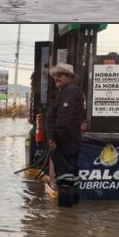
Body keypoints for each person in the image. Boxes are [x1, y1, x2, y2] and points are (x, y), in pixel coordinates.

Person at [45, 64, 85, 208]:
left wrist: (53, 138)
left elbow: (64, 119)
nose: (57, 78)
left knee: (65, 178)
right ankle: (71, 219)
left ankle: (65, 215)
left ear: (69, 77)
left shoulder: (70, 92)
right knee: (72, 177)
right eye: (55, 75)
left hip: (64, 141)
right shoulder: (68, 92)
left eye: (60, 75)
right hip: (69, 140)